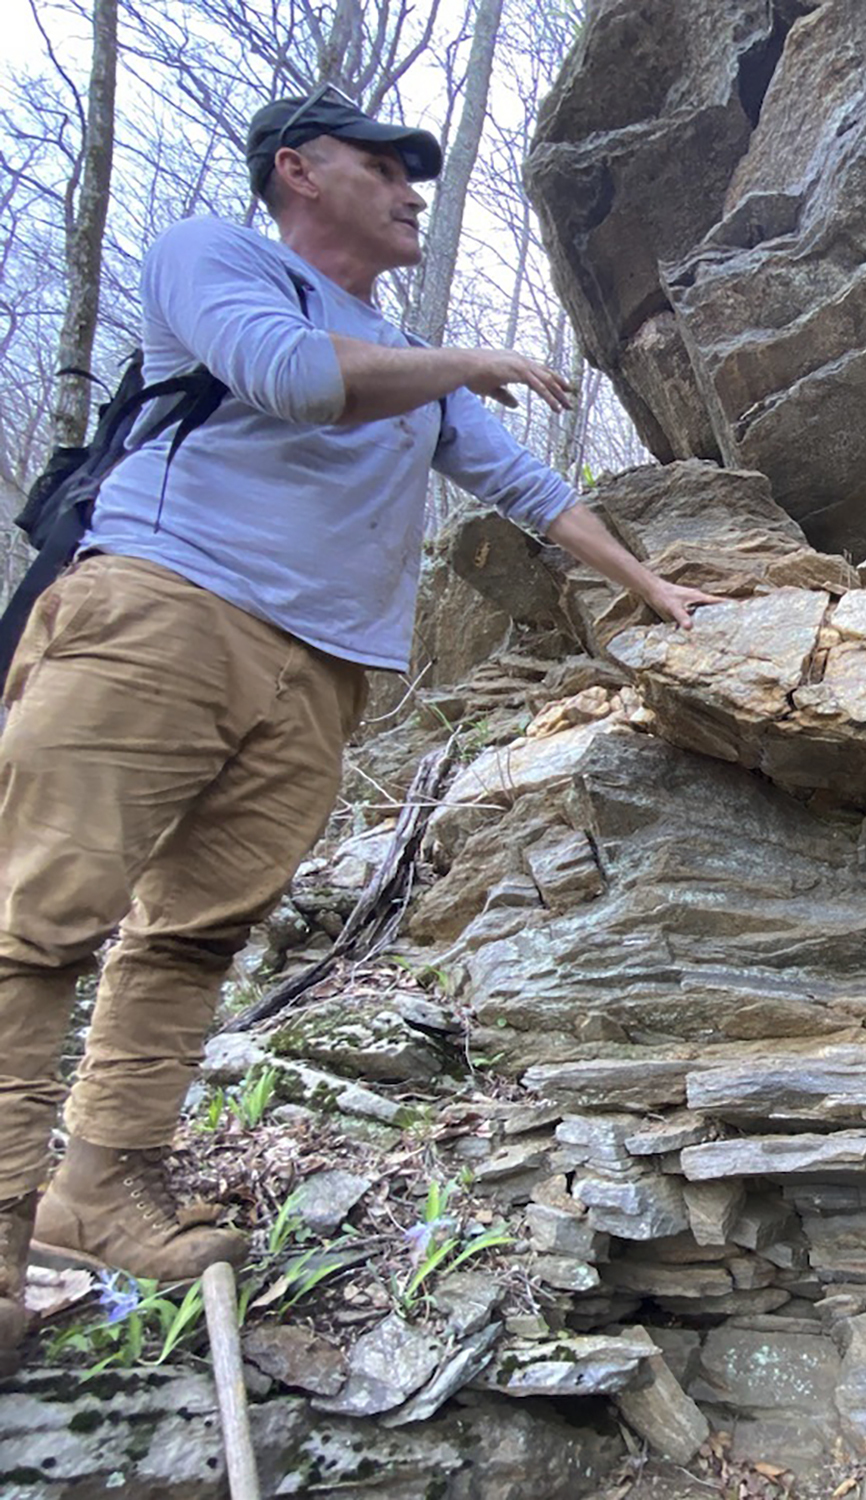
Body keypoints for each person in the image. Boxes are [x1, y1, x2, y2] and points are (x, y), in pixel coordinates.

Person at [0, 86, 722, 1372]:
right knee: (36, 921)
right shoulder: (218, 260)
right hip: (161, 610)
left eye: (416, 172)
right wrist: (471, 359)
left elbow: (527, 484)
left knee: (196, 932)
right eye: (383, 164)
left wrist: (650, 586)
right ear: (297, 170)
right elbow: (286, 380)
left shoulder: (408, 366)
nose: (409, 190)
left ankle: (102, 1192)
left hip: (323, 672)